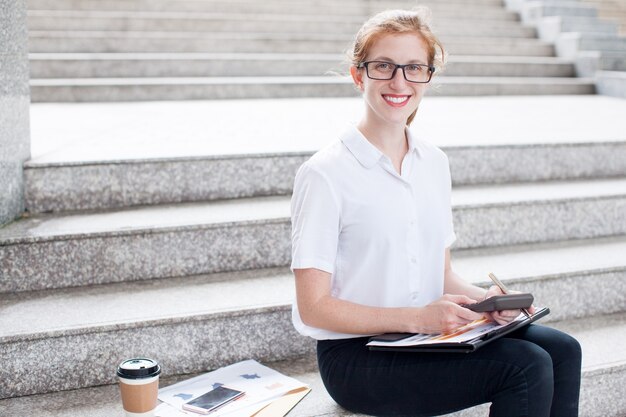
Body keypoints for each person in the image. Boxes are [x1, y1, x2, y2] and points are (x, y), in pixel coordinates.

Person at [289, 8, 582, 417]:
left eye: (413, 68)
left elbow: (441, 273)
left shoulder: (433, 162)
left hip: (424, 337)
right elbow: (313, 307)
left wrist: (487, 301)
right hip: (357, 357)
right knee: (526, 366)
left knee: (564, 349)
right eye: (384, 67)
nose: (399, 82)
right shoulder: (324, 174)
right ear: (359, 75)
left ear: (429, 76)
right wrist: (417, 319)